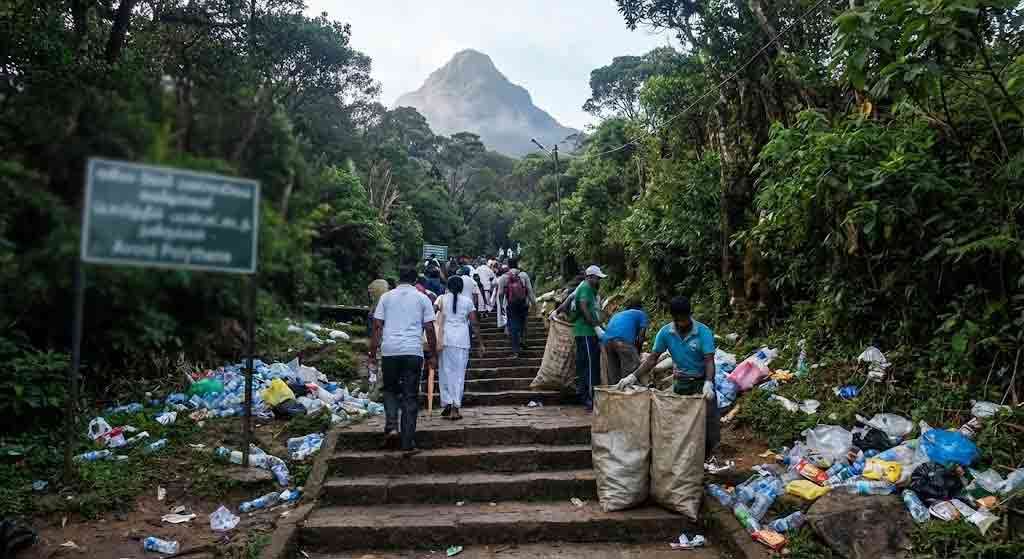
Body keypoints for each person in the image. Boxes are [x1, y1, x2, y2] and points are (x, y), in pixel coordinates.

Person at [615, 296, 719, 457]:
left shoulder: (703, 332)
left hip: (701, 383)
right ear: (674, 318)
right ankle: (684, 458)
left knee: (707, 424)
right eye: (679, 320)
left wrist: (709, 383)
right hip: (681, 384)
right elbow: (652, 359)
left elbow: (709, 361)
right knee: (681, 422)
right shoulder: (666, 333)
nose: (682, 323)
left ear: (690, 314)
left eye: (685, 319)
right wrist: (633, 377)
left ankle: (706, 457)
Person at [369, 267, 438, 453]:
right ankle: (407, 444)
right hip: (412, 352)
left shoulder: (386, 297)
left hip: (390, 351)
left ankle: (392, 427)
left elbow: (377, 327)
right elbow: (430, 329)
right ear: (415, 279)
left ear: (398, 278)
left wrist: (372, 353)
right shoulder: (423, 298)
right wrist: (433, 355)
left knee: (390, 390)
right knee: (410, 396)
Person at [435, 276, 484, 420]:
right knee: (459, 374)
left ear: (448, 286)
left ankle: (448, 403)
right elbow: (474, 324)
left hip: (445, 339)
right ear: (462, 287)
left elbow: (432, 314)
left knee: (445, 373)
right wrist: (480, 343)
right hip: (462, 340)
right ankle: (455, 408)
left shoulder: (441, 298)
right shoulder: (468, 302)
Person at [572, 265, 607, 411]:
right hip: (586, 332)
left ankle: (584, 394)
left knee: (585, 364)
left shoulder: (589, 289)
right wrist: (595, 326)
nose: (599, 280)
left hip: (586, 332)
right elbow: (584, 306)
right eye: (597, 278)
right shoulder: (586, 288)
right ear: (590, 277)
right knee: (591, 365)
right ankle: (590, 398)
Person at [601, 299, 649, 385]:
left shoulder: (618, 315)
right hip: (622, 341)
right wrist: (637, 353)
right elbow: (641, 337)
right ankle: (630, 396)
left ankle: (615, 395)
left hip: (606, 342)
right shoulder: (641, 313)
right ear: (640, 308)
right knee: (630, 374)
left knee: (615, 374)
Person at [495, 258, 536, 359]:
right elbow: (530, 291)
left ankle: (515, 351)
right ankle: (523, 341)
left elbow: (500, 294)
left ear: (508, 265)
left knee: (513, 327)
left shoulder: (504, 277)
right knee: (523, 322)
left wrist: (501, 306)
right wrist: (534, 304)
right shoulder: (524, 275)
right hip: (523, 304)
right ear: (517, 264)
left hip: (511, 304)